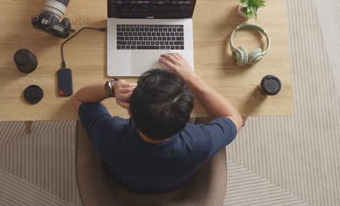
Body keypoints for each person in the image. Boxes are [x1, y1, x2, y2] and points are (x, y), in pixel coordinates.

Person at [74, 53, 243, 193]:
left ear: (130, 111)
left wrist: (111, 87)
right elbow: (235, 119)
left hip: (127, 182)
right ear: (185, 120)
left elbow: (81, 100)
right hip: (174, 185)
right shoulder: (201, 141)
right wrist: (193, 79)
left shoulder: (110, 136)